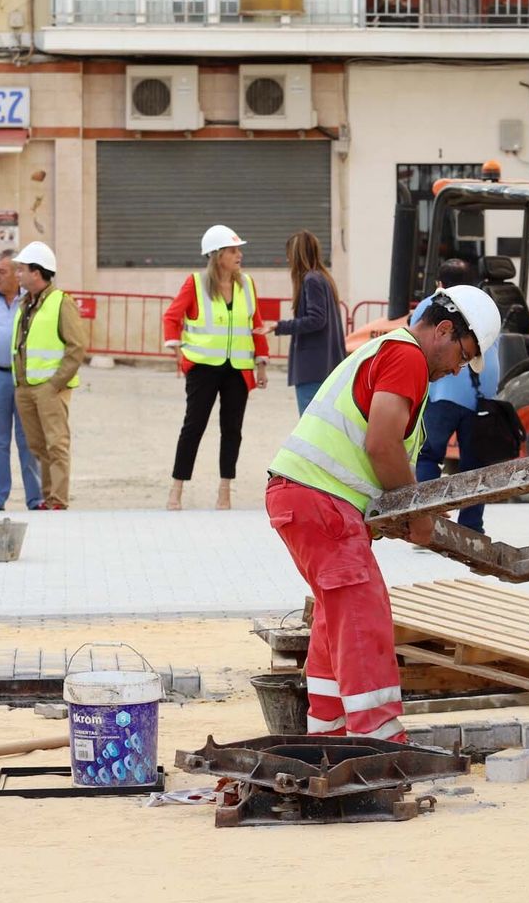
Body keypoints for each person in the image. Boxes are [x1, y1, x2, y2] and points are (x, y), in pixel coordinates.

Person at [267, 284, 502, 742]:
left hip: (306, 496)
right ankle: (379, 737)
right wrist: (417, 514)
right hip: (320, 499)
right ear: (444, 330)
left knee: (337, 615)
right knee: (363, 612)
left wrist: (401, 510)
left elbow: (374, 449)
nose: (458, 368)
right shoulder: (407, 356)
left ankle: (329, 732)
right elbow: (381, 444)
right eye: (463, 355)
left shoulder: (389, 351)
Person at [161, 224, 270, 510]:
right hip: (203, 368)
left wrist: (261, 364)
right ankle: (176, 489)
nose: (239, 255)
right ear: (217, 255)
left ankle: (224, 491)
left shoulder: (247, 284)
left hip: (238, 369)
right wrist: (177, 351)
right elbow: (171, 317)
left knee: (232, 430)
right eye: (233, 250)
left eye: (238, 250)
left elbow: (256, 324)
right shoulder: (196, 284)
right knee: (193, 427)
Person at [410, 259, 504, 534]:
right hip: (483, 398)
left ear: (440, 283)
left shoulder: (431, 305)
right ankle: (472, 528)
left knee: (429, 456)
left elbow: (417, 344)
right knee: (475, 465)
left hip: (444, 394)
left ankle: (429, 522)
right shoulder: (485, 306)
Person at [11, 241, 87, 510]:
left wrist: (55, 383)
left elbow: (76, 346)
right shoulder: (26, 303)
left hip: (50, 387)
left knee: (56, 444)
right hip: (25, 386)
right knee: (38, 446)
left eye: (21, 269)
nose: (17, 274)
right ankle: (48, 498)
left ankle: (58, 500)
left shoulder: (61, 302)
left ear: (36, 272)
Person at [0, 249, 42, 512]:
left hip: (24, 378)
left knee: (28, 439)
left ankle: (35, 499)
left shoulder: (32, 297)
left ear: (17, 274)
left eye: (2, 272)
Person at [262, 229, 345, 414]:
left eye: (289, 255)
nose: (288, 260)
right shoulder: (324, 278)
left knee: (310, 423)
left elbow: (317, 319)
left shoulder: (311, 280)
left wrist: (280, 326)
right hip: (325, 364)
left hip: (312, 367)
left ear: (297, 255)